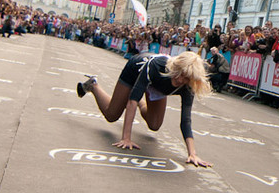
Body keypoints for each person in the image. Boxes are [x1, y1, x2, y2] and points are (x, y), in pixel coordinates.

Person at [76, 51, 213, 167]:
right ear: (175, 67)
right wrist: (126, 138)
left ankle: (142, 96)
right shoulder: (156, 66)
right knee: (111, 115)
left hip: (157, 85)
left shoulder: (188, 85)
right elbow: (132, 101)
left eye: (186, 78)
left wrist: (192, 154)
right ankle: (93, 85)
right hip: (135, 72)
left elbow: (186, 119)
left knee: (154, 125)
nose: (180, 80)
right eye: (180, 73)